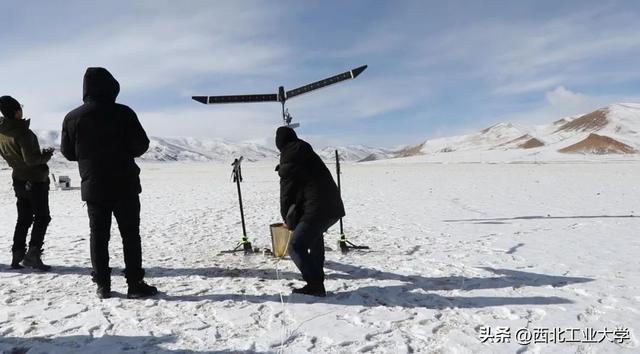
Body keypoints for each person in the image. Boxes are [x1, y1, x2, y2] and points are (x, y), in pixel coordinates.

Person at [61, 67, 157, 299]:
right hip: (125, 184)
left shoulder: (72, 117)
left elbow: (68, 152)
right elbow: (140, 145)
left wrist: (89, 155)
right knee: (130, 235)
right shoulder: (124, 113)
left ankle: (102, 285)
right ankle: (135, 284)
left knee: (99, 235)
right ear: (112, 87)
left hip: (94, 186)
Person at [276, 126, 345, 297]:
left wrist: (286, 218)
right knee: (314, 239)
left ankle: (315, 285)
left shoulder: (289, 158)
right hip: (332, 206)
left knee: (295, 246)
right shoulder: (306, 153)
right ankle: (317, 280)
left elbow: (287, 193)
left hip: (318, 208)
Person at [0, 96, 53, 271]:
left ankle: (17, 253)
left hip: (18, 179)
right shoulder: (22, 132)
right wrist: (46, 155)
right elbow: (31, 160)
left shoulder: (2, 133)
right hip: (35, 179)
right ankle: (33, 254)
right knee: (42, 217)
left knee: (23, 218)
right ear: (16, 112)